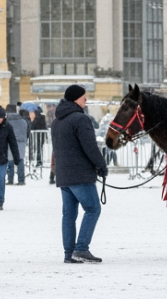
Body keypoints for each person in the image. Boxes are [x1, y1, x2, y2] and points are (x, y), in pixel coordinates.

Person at [52, 85, 107, 264]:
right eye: (84, 97)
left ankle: (69, 253)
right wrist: (101, 165)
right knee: (93, 209)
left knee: (69, 215)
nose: (86, 100)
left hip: (64, 174)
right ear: (76, 99)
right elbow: (90, 147)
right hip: (80, 174)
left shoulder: (57, 120)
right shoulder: (81, 119)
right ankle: (81, 248)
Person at [4, 105, 30, 186]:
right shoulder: (23, 120)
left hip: (10, 142)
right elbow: (27, 132)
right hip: (21, 142)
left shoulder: (7, 121)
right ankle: (21, 179)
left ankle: (10, 179)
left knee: (10, 160)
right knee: (20, 160)